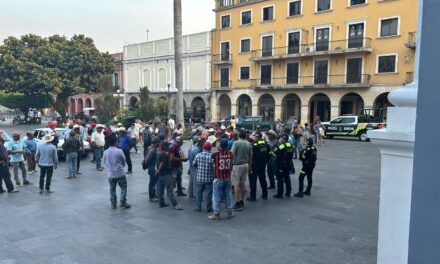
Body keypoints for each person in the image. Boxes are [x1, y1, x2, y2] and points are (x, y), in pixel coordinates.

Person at [209, 139, 234, 220]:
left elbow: (211, 164)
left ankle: (216, 214)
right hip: (227, 177)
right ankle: (229, 213)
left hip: (218, 177)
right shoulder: (231, 154)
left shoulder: (215, 154)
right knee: (228, 195)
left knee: (216, 196)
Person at [103, 137, 131, 209]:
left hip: (111, 174)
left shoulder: (105, 152)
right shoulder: (119, 151)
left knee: (112, 189)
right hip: (120, 173)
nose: (118, 143)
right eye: (117, 142)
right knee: (123, 187)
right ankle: (123, 202)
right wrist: (122, 166)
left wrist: (109, 168)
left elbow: (105, 163)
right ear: (115, 143)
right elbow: (123, 161)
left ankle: (113, 204)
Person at [156, 141, 183, 210]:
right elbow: (162, 163)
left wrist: (158, 171)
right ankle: (175, 204)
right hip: (165, 174)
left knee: (160, 189)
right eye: (168, 146)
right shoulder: (163, 154)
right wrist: (158, 170)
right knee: (169, 190)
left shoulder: (159, 153)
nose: (169, 147)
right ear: (165, 147)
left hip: (161, 174)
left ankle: (161, 203)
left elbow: (159, 163)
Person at [230, 130, 252, 211]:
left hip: (237, 165)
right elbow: (250, 156)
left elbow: (231, 153)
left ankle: (238, 202)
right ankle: (242, 201)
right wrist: (250, 167)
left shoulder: (236, 143)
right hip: (245, 165)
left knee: (236, 185)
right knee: (242, 184)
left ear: (239, 135)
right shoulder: (248, 143)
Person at [247, 131, 269, 202]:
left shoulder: (254, 145)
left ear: (258, 137)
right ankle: (265, 194)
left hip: (254, 164)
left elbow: (250, 155)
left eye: (255, 136)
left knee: (253, 180)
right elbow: (270, 153)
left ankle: (253, 197)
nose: (254, 137)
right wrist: (266, 161)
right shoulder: (266, 144)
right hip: (262, 164)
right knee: (263, 179)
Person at [193, 141, 214, 212]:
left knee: (198, 192)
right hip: (209, 178)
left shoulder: (198, 155)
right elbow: (213, 167)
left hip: (199, 178)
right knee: (208, 194)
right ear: (210, 148)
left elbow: (194, 164)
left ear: (203, 147)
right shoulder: (211, 156)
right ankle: (208, 208)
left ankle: (198, 207)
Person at [273, 134, 294, 199]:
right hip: (288, 163)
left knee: (280, 179)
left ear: (284, 139)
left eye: (281, 138)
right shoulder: (290, 145)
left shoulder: (281, 146)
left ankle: (280, 194)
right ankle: (288, 193)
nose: (280, 139)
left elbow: (275, 152)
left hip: (281, 164)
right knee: (287, 178)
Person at [144, 136, 161, 202]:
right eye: (159, 142)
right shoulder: (152, 150)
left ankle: (153, 194)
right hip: (152, 168)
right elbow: (146, 160)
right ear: (156, 143)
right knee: (152, 182)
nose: (160, 143)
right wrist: (150, 167)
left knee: (154, 182)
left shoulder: (153, 148)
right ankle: (151, 196)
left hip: (153, 168)